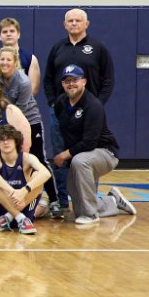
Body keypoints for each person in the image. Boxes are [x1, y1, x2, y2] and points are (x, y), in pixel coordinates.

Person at [43, 8, 115, 218]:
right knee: (60, 157)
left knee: (85, 157)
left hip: (88, 112)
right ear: (65, 25)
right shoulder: (58, 48)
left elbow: (108, 79)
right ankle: (62, 202)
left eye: (78, 20)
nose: (74, 23)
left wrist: (97, 104)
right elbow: (48, 79)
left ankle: (89, 204)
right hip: (61, 112)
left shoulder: (97, 48)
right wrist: (53, 103)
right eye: (70, 21)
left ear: (87, 24)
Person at [51, 64, 135, 225]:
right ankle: (112, 201)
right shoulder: (61, 103)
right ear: (62, 84)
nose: (71, 84)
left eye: (75, 80)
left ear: (84, 81)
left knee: (80, 162)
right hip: (80, 154)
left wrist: (64, 155)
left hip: (105, 153)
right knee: (78, 209)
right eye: (67, 81)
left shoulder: (93, 105)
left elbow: (89, 142)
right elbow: (67, 135)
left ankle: (91, 215)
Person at [0, 46, 58, 207]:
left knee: (38, 158)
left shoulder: (23, 82)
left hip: (29, 121)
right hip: (7, 120)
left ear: (15, 62)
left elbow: (19, 113)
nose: (5, 62)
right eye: (2, 59)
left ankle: (54, 199)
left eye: (8, 60)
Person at [0, 124, 51, 235]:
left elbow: (46, 173)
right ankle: (18, 217)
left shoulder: (27, 158)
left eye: (9, 138)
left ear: (16, 141)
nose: (6, 142)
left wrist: (23, 191)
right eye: (2, 140)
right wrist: (12, 191)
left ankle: (10, 216)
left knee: (38, 176)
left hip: (23, 208)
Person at [0, 17, 41, 94]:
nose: (8, 34)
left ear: (18, 34)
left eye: (12, 31)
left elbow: (33, 89)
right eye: (5, 32)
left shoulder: (31, 59)